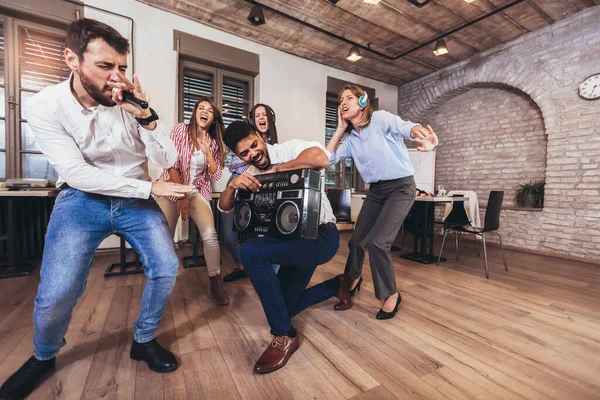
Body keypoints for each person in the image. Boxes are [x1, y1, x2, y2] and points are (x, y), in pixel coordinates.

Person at [0, 18, 192, 399]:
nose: (115, 77)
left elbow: (170, 157)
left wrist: (147, 116)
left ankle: (144, 339)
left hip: (135, 200)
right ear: (72, 58)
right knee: (59, 290)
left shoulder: (129, 101)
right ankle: (43, 356)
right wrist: (150, 185)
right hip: (80, 198)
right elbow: (78, 173)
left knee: (167, 267)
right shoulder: (45, 105)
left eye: (120, 67)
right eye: (105, 66)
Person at [218, 121, 352, 374]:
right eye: (244, 153)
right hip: (289, 242)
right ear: (238, 157)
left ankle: (285, 335)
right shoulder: (248, 173)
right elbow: (225, 208)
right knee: (283, 308)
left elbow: (321, 157)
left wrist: (275, 171)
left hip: (320, 237)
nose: (253, 154)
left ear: (259, 136)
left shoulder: (289, 150)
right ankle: (338, 285)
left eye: (254, 145)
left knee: (252, 251)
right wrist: (232, 186)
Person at [326, 85, 438, 320]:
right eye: (340, 99)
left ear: (363, 102)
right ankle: (352, 280)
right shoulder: (351, 139)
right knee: (357, 240)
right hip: (376, 191)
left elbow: (404, 126)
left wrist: (419, 132)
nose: (343, 102)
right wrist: (338, 129)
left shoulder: (379, 119)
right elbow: (328, 159)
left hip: (401, 187)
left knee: (378, 242)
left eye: (349, 98)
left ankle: (391, 294)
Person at [156, 97, 229, 305]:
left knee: (210, 235)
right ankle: (161, 282)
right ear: (196, 112)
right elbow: (172, 164)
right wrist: (181, 197)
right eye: (201, 107)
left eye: (210, 110)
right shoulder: (180, 130)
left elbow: (215, 177)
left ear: (213, 118)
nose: (204, 111)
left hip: (197, 191)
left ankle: (216, 281)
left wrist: (209, 155)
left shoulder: (214, 143)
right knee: (163, 239)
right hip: (172, 186)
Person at [222, 103, 278, 282]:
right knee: (229, 237)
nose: (262, 118)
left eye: (265, 114)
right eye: (257, 115)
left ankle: (271, 275)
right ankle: (242, 267)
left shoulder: (278, 150)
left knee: (270, 235)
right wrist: (234, 185)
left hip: (262, 189)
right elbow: (224, 206)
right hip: (237, 185)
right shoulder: (242, 142)